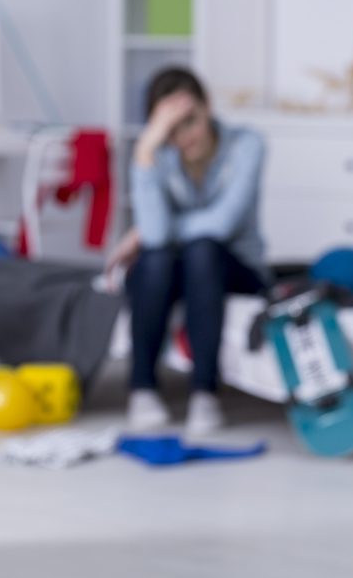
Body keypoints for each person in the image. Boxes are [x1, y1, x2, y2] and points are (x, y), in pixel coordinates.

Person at [106, 67, 268, 434]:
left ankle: (204, 393)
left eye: (190, 121)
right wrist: (146, 149)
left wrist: (141, 232)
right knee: (157, 259)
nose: (184, 136)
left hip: (235, 267)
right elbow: (158, 238)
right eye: (170, 128)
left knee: (203, 249)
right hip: (175, 270)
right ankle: (142, 389)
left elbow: (222, 224)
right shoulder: (157, 155)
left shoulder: (247, 145)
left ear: (208, 107)